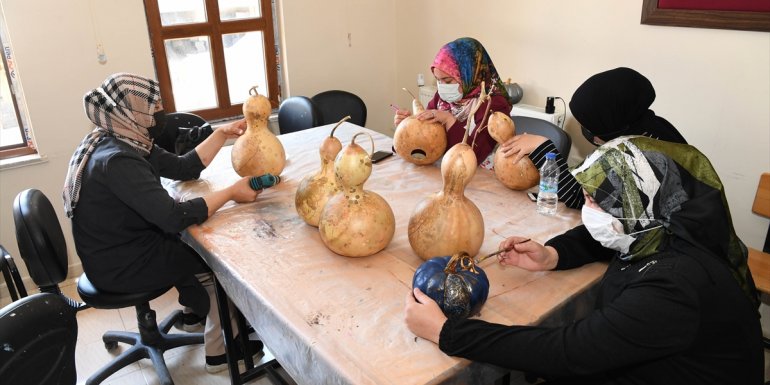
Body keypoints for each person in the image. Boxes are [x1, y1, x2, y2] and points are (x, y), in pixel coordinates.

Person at [405, 136, 764, 385]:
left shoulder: (674, 287)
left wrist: (447, 332)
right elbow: (605, 240)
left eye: (595, 201)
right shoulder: (659, 226)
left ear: (634, 209)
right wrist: (552, 255)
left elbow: (567, 351)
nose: (586, 209)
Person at [62, 73, 261, 373]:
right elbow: (172, 217)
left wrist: (221, 134)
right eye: (154, 108)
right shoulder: (118, 160)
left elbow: (184, 168)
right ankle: (222, 349)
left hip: (116, 248)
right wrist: (232, 192)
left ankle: (195, 314)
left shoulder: (124, 135)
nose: (160, 114)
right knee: (216, 259)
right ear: (133, 112)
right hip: (119, 267)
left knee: (188, 241)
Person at [499, 67, 687, 209]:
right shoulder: (647, 126)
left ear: (609, 121)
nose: (585, 131)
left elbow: (578, 196)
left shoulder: (641, 156)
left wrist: (542, 147)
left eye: (589, 124)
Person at [393, 37, 513, 168]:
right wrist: (407, 130)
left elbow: (474, 156)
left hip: (478, 176)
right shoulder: (443, 97)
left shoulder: (494, 105)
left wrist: (449, 120)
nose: (442, 86)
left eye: (448, 81)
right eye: (438, 80)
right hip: (445, 168)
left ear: (470, 74)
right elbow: (426, 144)